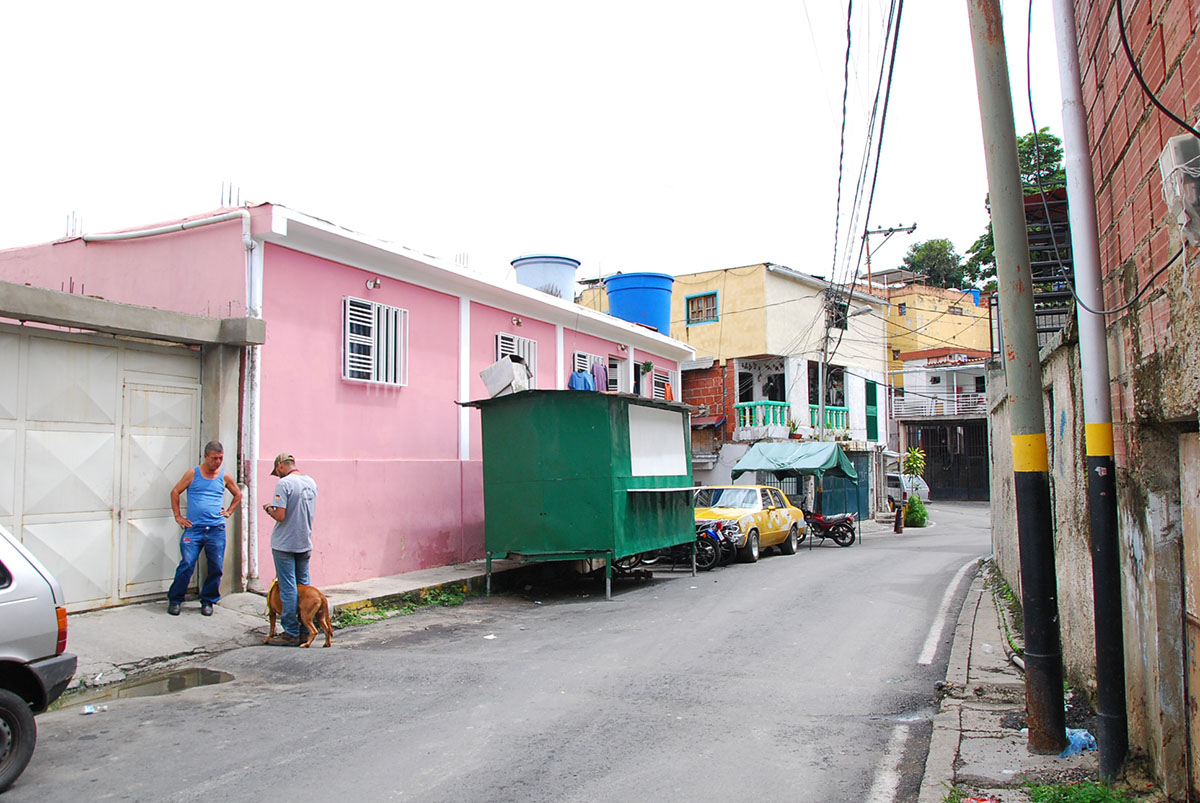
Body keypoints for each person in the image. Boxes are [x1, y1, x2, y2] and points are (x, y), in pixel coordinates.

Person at [167, 441, 242, 616]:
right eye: (214, 458)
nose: (217, 462)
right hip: (194, 529)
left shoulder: (224, 476)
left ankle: (208, 601)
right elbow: (175, 492)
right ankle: (175, 599)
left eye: (221, 458)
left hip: (216, 530)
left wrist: (229, 511)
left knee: (216, 566)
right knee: (187, 564)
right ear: (206, 456)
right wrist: (178, 516)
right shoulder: (193, 473)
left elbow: (238, 494)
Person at [262, 452, 319, 646]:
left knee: (287, 586)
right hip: (304, 541)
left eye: (276, 471)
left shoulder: (284, 484)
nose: (277, 475)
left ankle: (291, 631)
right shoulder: (311, 482)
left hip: (285, 544)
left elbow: (280, 515)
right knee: (303, 585)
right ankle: (305, 629)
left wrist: (269, 508)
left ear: (280, 466)